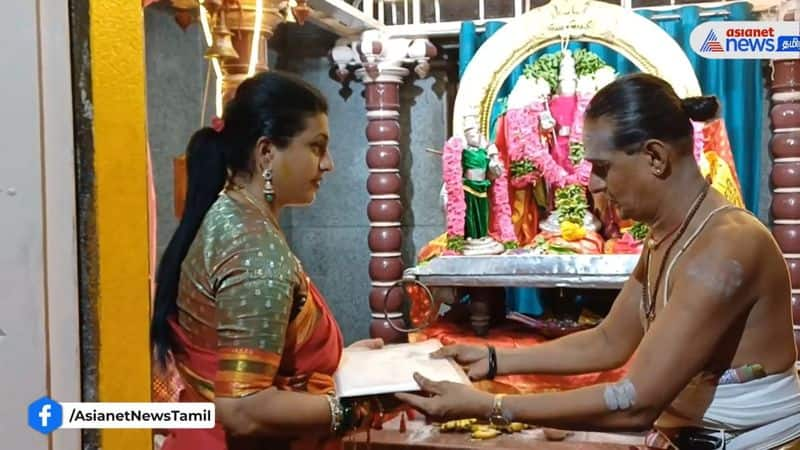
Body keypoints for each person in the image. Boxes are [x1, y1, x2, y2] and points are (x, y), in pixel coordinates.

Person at [396, 73, 800, 449]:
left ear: (655, 157)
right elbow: (610, 340)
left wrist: (489, 406)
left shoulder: (726, 246)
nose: (592, 184)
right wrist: (493, 359)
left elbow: (636, 403)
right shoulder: (671, 235)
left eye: (602, 167)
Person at [150, 71, 383, 450]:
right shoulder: (254, 251)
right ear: (266, 153)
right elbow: (244, 410)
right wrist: (361, 410)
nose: (328, 165)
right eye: (316, 147)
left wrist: (342, 361)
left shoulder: (231, 217)